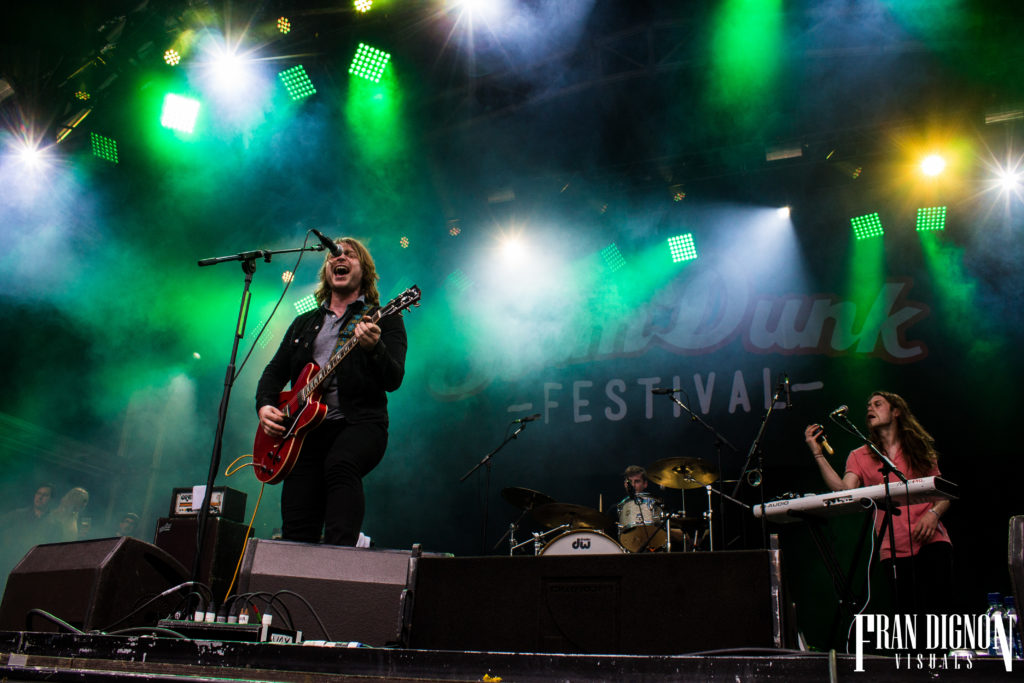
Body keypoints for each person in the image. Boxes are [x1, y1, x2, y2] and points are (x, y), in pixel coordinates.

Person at [256, 236, 407, 546]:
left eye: (350, 255)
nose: (339, 258)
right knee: (297, 513)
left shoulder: (385, 318)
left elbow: (393, 379)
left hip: (360, 424)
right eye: (333, 256)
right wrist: (265, 405)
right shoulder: (303, 323)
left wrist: (374, 347)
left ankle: (338, 564)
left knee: (340, 465)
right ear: (327, 271)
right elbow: (273, 373)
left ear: (363, 270)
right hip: (305, 432)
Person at [804, 391, 952, 615]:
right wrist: (818, 455)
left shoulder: (918, 448)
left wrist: (933, 514)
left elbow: (943, 494)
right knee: (909, 620)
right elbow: (845, 491)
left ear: (896, 412)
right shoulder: (859, 456)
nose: (870, 409)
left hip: (932, 540)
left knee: (939, 615)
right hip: (893, 549)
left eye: (878, 404)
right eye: (868, 406)